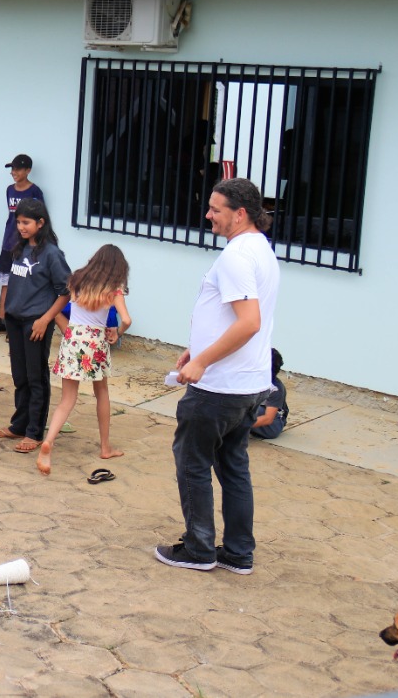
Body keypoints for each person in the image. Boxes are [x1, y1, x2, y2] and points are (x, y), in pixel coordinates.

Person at [155, 177, 280, 575]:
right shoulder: (261, 248)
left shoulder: (237, 256)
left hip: (219, 387)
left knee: (192, 462)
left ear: (239, 214)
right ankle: (239, 552)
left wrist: (202, 361)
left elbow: (249, 323)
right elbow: (235, 317)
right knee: (233, 465)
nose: (208, 214)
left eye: (215, 208)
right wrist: (201, 345)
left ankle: (199, 549)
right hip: (249, 384)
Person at [36, 244, 130, 474]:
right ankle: (105, 447)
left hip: (72, 338)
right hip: (95, 343)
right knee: (102, 393)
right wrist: (117, 332)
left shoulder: (77, 279)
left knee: (67, 398)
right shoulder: (114, 288)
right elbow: (126, 319)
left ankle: (49, 441)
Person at [0, 199, 70, 454]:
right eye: (19, 222)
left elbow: (65, 292)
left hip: (36, 323)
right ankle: (19, 425)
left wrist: (45, 320)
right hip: (15, 320)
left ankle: (34, 432)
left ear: (40, 223)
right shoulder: (19, 248)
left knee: (36, 378)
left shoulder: (52, 254)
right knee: (19, 376)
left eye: (26, 222)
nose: (21, 227)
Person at [0, 154, 44, 333]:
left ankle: (18, 321)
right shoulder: (9, 189)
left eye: (18, 169)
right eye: (12, 169)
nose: (14, 173)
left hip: (25, 245)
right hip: (9, 241)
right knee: (5, 281)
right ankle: (1, 319)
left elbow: (40, 217)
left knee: (22, 280)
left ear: (28, 170)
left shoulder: (34, 192)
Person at [250, 349, 288, 439]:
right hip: (255, 416)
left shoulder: (275, 389)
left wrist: (239, 426)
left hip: (272, 425)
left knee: (251, 410)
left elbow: (268, 418)